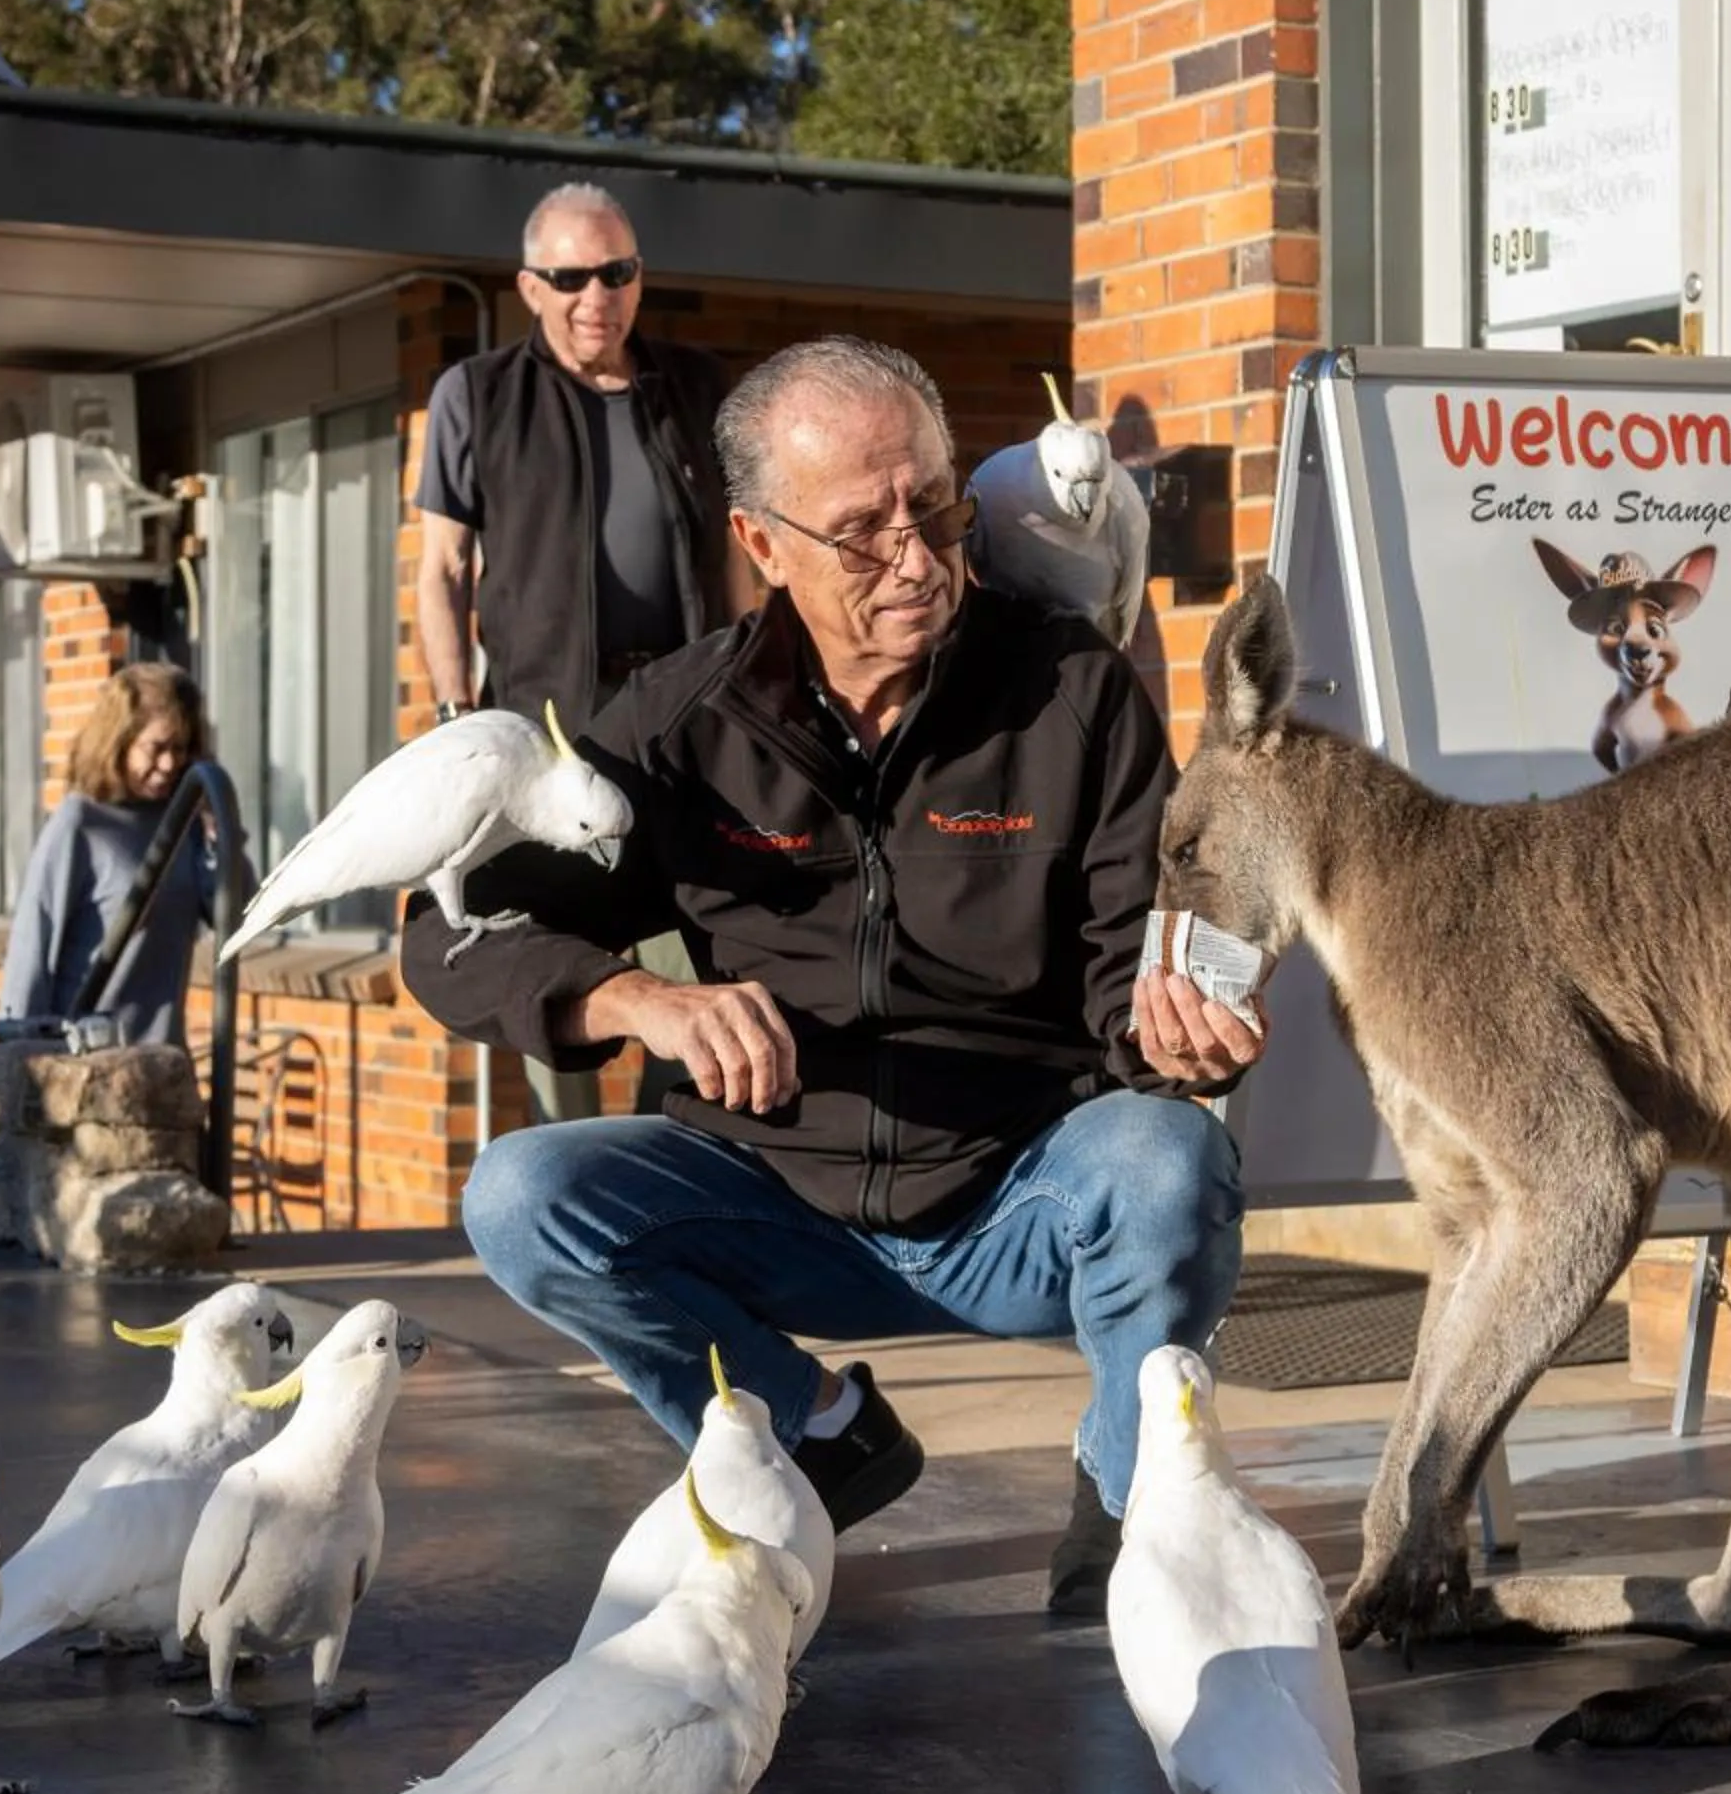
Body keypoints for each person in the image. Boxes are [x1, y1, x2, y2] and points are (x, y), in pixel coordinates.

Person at [401, 337, 1261, 1617]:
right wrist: (641, 999)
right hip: (770, 1201)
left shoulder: (1074, 691)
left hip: (1018, 1197)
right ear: (763, 542)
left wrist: (1171, 1029)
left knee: (1166, 1157)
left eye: (937, 510)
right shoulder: (676, 723)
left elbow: (1129, 955)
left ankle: (1134, 1502)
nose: (917, 560)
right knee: (523, 1191)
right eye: (863, 531)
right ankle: (813, 1430)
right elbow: (448, 932)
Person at [412, 178, 749, 1122]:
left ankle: (670, 1158)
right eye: (569, 278)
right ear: (530, 286)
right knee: (549, 968)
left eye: (616, 272)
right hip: (547, 738)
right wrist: (457, 716)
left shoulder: (698, 388)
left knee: (701, 961)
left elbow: (739, 558)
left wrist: (755, 687)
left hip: (686, 733)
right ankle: (569, 1165)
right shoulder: (478, 396)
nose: (595, 296)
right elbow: (442, 568)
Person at [0, 662, 219, 1047]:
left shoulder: (183, 821)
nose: (169, 764)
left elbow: (233, 913)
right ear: (119, 742)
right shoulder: (81, 822)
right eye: (156, 748)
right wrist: (19, 1054)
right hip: (88, 1059)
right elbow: (33, 944)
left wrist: (217, 829)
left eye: (180, 749)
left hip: (161, 1057)